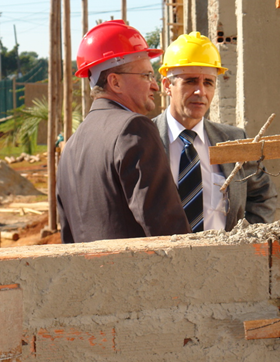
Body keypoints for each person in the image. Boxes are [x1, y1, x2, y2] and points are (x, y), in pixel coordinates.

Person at [57, 20, 190, 242]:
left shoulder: (70, 148)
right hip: (139, 266)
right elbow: (167, 230)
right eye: (146, 75)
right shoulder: (133, 129)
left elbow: (68, 240)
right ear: (115, 82)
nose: (155, 85)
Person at [153, 31, 277, 232]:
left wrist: (247, 240)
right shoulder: (144, 140)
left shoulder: (234, 140)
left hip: (223, 252)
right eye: (190, 81)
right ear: (167, 85)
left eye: (208, 83)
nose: (200, 91)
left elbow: (263, 194)